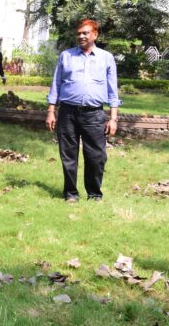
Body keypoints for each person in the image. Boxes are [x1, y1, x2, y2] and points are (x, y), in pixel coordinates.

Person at [46, 19, 120, 203]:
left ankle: (94, 194)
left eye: (85, 33)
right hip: (67, 113)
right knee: (68, 155)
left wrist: (113, 119)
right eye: (79, 33)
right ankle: (71, 193)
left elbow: (113, 90)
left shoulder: (106, 58)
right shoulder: (66, 56)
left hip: (94, 114)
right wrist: (51, 111)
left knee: (96, 156)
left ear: (95, 35)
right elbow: (56, 84)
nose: (81, 36)